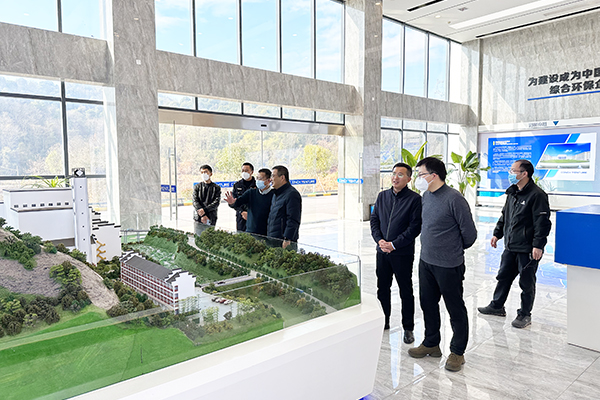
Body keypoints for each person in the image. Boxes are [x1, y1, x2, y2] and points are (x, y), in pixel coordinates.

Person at [407, 157, 477, 373]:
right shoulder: (426, 196)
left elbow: (470, 234)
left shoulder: (454, 199)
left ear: (434, 175)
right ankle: (431, 343)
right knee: (427, 303)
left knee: (455, 307)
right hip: (426, 261)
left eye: (421, 174)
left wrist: (452, 250)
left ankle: (457, 352)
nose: (418, 179)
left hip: (449, 265)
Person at [478, 159, 551, 329]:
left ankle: (525, 314)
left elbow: (542, 223)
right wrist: (497, 234)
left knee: (526, 283)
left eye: (513, 171)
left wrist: (538, 245)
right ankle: (497, 306)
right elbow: (505, 215)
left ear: (524, 174)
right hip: (511, 246)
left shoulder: (537, 195)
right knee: (503, 276)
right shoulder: (512, 192)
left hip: (527, 248)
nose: (510, 174)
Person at [370, 162, 422, 343]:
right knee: (382, 288)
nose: (395, 177)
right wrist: (380, 241)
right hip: (382, 252)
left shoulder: (415, 200)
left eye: (400, 174)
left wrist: (394, 244)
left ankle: (408, 328)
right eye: (393, 174)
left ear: (408, 179)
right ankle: (383, 321)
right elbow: (374, 220)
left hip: (402, 253)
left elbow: (414, 228)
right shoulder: (382, 196)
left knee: (405, 290)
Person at [225, 168, 274, 237]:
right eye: (257, 178)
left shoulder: (274, 194)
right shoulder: (251, 192)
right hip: (251, 231)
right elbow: (238, 202)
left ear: (269, 180)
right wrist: (232, 203)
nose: (258, 180)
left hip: (267, 232)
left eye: (260, 179)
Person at [267, 165, 302, 249]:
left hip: (284, 242)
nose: (270, 179)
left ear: (282, 177)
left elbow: (293, 219)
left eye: (273, 176)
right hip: (273, 239)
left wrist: (287, 238)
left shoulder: (292, 194)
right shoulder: (275, 194)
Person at [192, 165, 221, 236]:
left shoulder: (216, 188)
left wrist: (204, 210)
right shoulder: (197, 187)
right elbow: (195, 201)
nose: (203, 174)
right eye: (202, 172)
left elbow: (216, 202)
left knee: (209, 238)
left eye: (205, 172)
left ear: (210, 174)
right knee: (198, 237)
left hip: (211, 217)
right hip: (198, 217)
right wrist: (203, 215)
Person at [232, 162, 256, 232]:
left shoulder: (257, 184)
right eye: (243, 170)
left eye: (246, 170)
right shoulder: (237, 185)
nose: (244, 172)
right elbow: (234, 201)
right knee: (241, 236)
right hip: (241, 216)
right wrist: (242, 211)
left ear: (252, 172)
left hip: (254, 216)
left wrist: (250, 213)